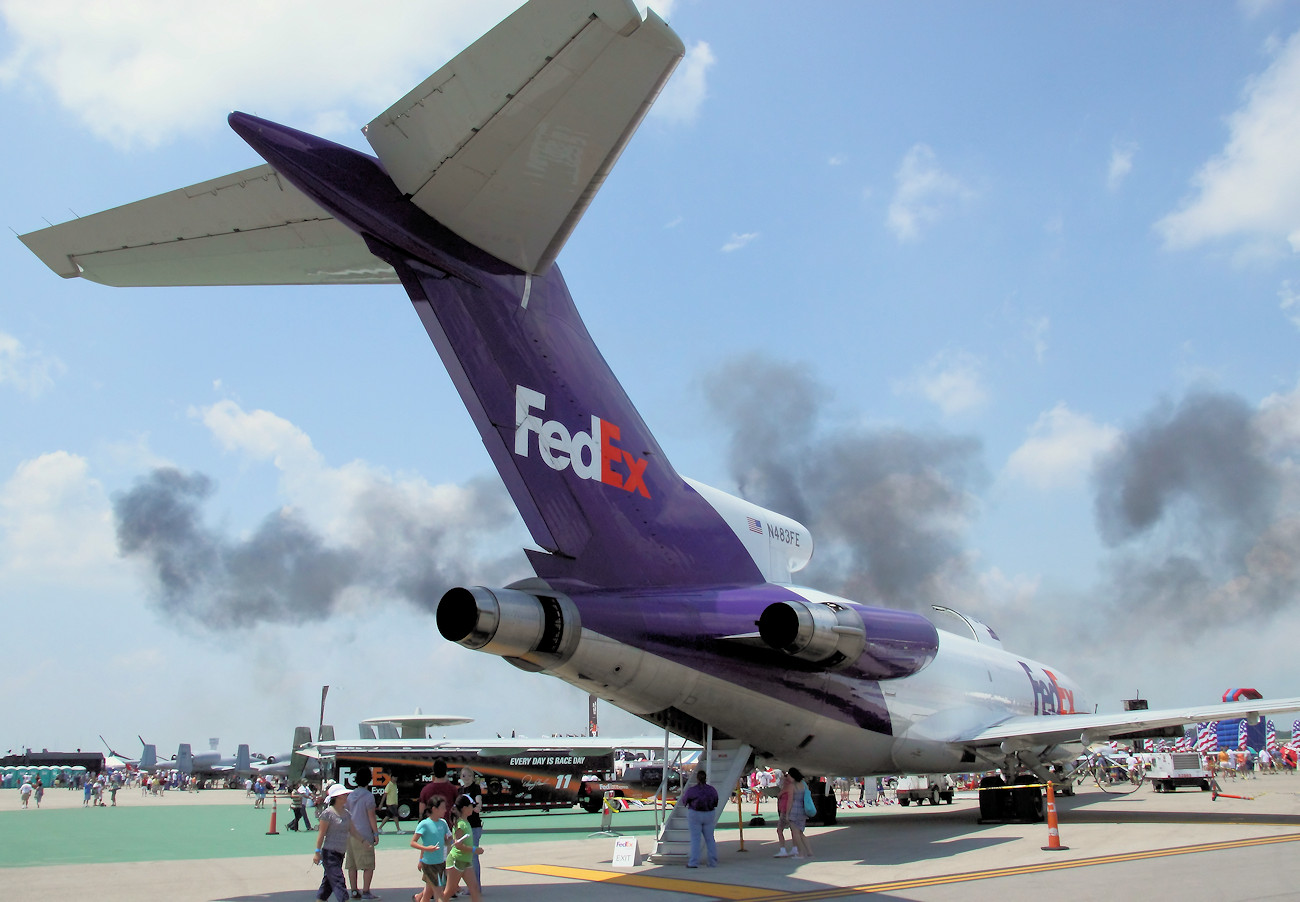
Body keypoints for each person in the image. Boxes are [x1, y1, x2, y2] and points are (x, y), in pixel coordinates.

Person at [313, 783, 358, 902]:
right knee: (338, 879)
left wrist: (365, 841)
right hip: (329, 853)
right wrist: (317, 852)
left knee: (328, 881)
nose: (346, 796)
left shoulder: (347, 814)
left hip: (340, 852)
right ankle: (344, 899)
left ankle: (321, 899)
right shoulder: (327, 813)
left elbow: (353, 831)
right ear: (337, 797)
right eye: (344, 794)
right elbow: (321, 835)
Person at [345, 766, 381, 900]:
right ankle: (366, 891)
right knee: (368, 864)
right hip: (364, 834)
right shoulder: (368, 796)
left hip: (351, 834)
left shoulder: (350, 795)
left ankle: (354, 890)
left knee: (352, 864)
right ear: (369, 780)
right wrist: (376, 834)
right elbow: (371, 816)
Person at [441, 795, 484, 902]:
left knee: (474, 888)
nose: (473, 808)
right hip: (457, 860)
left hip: (465, 861)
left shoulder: (465, 822)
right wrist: (475, 850)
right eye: (471, 806)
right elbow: (458, 845)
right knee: (449, 891)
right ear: (464, 808)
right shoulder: (460, 824)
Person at [410, 796, 452, 902]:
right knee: (439, 893)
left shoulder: (443, 823)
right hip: (429, 864)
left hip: (440, 862)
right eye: (442, 808)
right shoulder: (424, 824)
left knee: (428, 893)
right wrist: (426, 848)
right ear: (434, 809)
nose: (445, 810)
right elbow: (413, 842)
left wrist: (453, 842)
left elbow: (447, 840)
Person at [681, 769, 719, 868]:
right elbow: (715, 802)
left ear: (697, 778)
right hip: (709, 813)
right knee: (710, 839)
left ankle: (693, 862)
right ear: (705, 778)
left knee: (695, 839)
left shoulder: (692, 790)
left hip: (695, 813)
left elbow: (684, 801)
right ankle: (712, 862)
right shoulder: (712, 790)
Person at [458, 766, 485, 884]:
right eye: (464, 776)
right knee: (463, 856)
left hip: (474, 826)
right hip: (463, 826)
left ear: (473, 778)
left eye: (469, 776)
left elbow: (478, 801)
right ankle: (469, 885)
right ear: (460, 777)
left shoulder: (475, 788)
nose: (467, 778)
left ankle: (475, 886)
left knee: (473, 856)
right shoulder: (460, 791)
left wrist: (477, 806)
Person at [785, 767, 813, 860]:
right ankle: (809, 851)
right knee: (801, 832)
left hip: (794, 810)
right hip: (803, 809)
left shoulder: (792, 786)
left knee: (795, 833)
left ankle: (800, 853)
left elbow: (790, 801)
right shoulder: (804, 784)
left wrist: (787, 814)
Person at [418, 759, 457, 824]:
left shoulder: (425, 790)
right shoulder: (452, 789)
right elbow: (457, 809)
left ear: (434, 772)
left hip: (430, 827)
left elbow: (422, 811)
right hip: (448, 827)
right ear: (445, 771)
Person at [773, 770, 793, 857]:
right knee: (794, 830)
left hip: (785, 810)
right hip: (787, 810)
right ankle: (795, 848)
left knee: (779, 830)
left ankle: (783, 849)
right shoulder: (793, 786)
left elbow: (779, 795)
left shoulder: (786, 787)